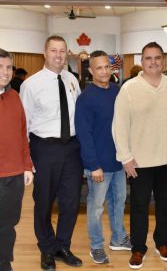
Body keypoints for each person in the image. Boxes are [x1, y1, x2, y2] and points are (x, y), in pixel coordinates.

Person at [112, 42, 167, 269]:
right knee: (139, 207)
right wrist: (125, 157)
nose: (153, 62)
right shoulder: (129, 89)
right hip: (139, 162)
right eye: (148, 58)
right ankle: (138, 248)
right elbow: (119, 125)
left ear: (162, 60)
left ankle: (162, 243)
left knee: (165, 205)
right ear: (141, 61)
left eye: (157, 57)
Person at [20, 35, 83, 270]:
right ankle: (46, 249)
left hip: (72, 148)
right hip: (44, 148)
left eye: (62, 51)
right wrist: (26, 159)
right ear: (45, 53)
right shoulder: (31, 84)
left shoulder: (73, 80)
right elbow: (22, 125)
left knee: (71, 201)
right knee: (44, 202)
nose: (58, 55)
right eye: (54, 51)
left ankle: (62, 246)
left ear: (67, 54)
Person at [75, 50, 131, 265]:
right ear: (91, 70)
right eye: (99, 67)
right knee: (96, 207)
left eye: (107, 67)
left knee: (119, 203)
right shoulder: (86, 98)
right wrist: (93, 165)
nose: (104, 71)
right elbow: (84, 134)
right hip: (98, 165)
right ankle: (96, 246)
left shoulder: (118, 91)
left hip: (118, 161)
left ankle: (118, 238)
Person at [0, 48, 33, 271]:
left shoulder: (14, 97)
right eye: (0, 67)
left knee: (8, 225)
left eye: (8, 67)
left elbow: (22, 134)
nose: (5, 72)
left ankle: (4, 263)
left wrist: (26, 166)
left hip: (13, 175)